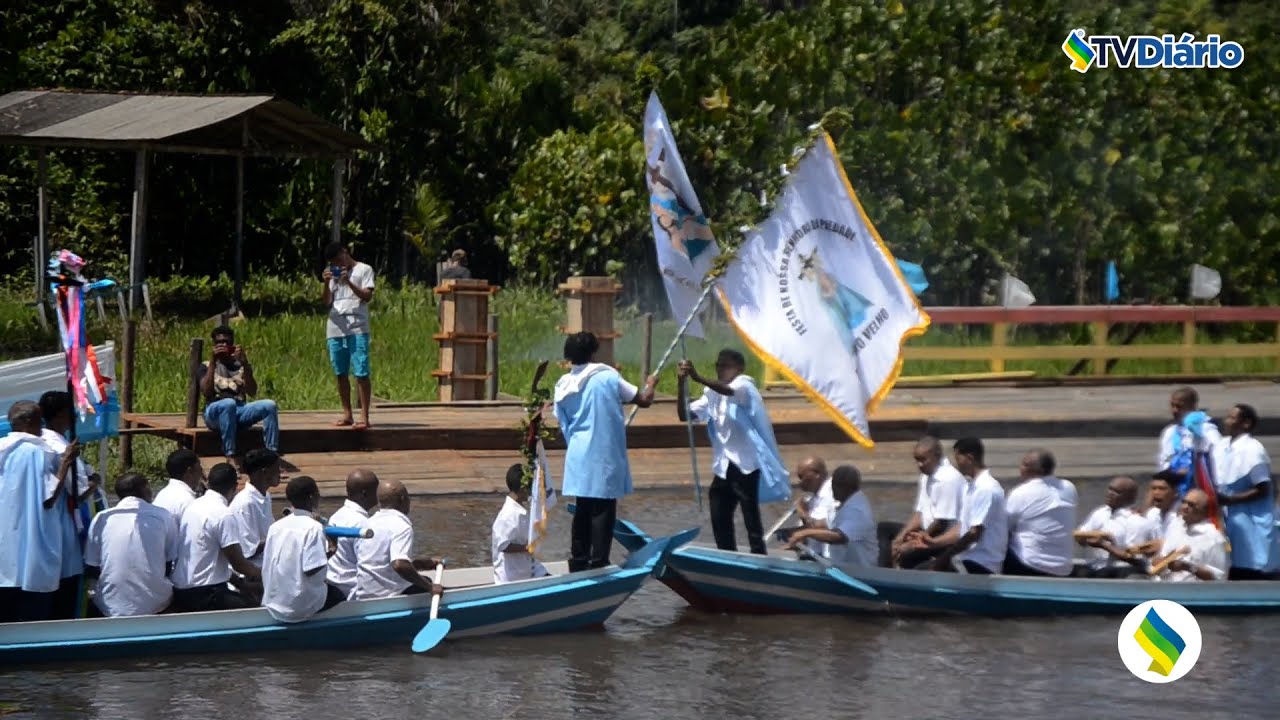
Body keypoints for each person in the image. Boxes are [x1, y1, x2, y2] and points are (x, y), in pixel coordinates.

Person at [554, 332, 656, 572]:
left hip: (579, 450)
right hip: (602, 451)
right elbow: (643, 400)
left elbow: (563, 421)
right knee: (602, 509)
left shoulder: (563, 384)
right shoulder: (607, 375)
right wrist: (651, 384)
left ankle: (579, 560)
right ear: (593, 353)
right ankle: (599, 561)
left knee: (583, 509)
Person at [677, 350, 789, 555]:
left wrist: (697, 376)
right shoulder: (710, 393)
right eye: (718, 365)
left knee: (750, 517)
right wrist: (681, 383)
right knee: (719, 510)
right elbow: (685, 415)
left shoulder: (745, 385)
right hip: (724, 465)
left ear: (739, 369)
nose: (720, 369)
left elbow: (728, 391)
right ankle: (727, 553)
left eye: (725, 366)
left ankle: (758, 555)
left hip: (746, 464)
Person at [0, 401, 79, 623]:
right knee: (32, 616)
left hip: (4, 551)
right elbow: (49, 498)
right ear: (29, 422)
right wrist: (65, 463)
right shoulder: (37, 452)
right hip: (32, 548)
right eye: (39, 421)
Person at [35, 390, 102, 618]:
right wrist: (94, 482)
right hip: (66, 528)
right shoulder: (61, 447)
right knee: (69, 592)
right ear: (63, 415)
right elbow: (79, 492)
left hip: (43, 529)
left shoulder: (38, 442)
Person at [83, 473, 178, 617]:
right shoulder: (162, 516)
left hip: (109, 605)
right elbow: (169, 562)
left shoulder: (102, 518)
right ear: (146, 490)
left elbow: (92, 566)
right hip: (156, 603)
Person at [170, 462, 261, 611]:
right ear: (235, 487)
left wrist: (240, 583)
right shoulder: (224, 514)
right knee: (257, 609)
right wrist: (266, 576)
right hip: (207, 595)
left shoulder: (193, 506)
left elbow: (209, 559)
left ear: (209, 482)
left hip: (181, 591)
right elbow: (239, 564)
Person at [261, 476, 346, 623]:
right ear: (312, 497)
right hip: (296, 606)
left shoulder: (275, 527)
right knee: (339, 595)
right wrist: (332, 549)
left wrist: (329, 552)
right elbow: (311, 569)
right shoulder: (314, 527)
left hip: (273, 601)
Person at [199, 325, 280, 465]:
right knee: (228, 403)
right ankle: (230, 455)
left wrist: (245, 363)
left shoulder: (240, 365)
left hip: (239, 410)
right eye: (219, 343)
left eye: (227, 343)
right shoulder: (206, 365)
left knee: (269, 405)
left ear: (232, 344)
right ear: (213, 345)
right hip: (214, 412)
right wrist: (213, 361)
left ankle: (271, 455)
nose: (223, 345)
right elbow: (206, 391)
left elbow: (252, 391)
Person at [353, 479, 445, 599]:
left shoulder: (367, 524)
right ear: (403, 499)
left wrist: (421, 564)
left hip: (364, 593)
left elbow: (380, 563)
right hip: (389, 596)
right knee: (426, 581)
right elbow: (399, 565)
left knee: (421, 578)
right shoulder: (402, 526)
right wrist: (429, 587)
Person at [882, 436, 965, 569]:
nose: (919, 465)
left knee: (906, 554)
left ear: (936, 456)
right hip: (926, 531)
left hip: (942, 539)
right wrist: (901, 537)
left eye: (923, 460)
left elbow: (941, 524)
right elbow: (920, 514)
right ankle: (883, 574)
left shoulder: (948, 479)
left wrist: (913, 543)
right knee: (884, 530)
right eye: (917, 460)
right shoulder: (926, 476)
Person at [1213, 403, 1275, 580]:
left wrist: (1231, 500)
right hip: (1229, 517)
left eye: (1232, 418)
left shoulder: (1253, 449)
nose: (1226, 421)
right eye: (1227, 417)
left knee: (1251, 563)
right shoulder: (1222, 445)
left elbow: (1263, 488)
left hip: (1250, 518)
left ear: (1246, 423)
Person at [930, 437, 1008, 574]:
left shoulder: (987, 488)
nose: (956, 464)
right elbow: (962, 528)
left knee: (921, 572)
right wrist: (932, 542)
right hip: (966, 558)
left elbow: (973, 533)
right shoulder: (971, 486)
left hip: (981, 563)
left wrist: (945, 558)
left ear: (969, 458)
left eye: (958, 459)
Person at [322, 241, 376, 431]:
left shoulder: (364, 269)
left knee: (361, 371)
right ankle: (347, 413)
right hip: (336, 326)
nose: (338, 265)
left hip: (357, 326)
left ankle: (364, 417)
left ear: (345, 252)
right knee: (340, 372)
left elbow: (367, 296)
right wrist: (326, 282)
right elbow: (326, 302)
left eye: (339, 260)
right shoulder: (332, 274)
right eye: (334, 264)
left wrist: (349, 282)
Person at [1003, 449, 1077, 577]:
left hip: (1029, 564)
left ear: (1040, 470)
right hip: (1063, 568)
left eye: (1025, 464)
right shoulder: (1069, 487)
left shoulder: (1020, 492)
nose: (1020, 468)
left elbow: (1004, 530)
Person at [785, 465, 877, 567]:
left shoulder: (857, 511)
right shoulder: (843, 504)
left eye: (834, 485)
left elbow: (839, 537)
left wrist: (805, 533)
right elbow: (824, 524)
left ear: (844, 487)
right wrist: (794, 530)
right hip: (838, 566)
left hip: (859, 573)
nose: (832, 489)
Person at [1073, 476, 1154, 579]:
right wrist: (1082, 538)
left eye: (1117, 492)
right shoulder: (1100, 513)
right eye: (1110, 489)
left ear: (1130, 497)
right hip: (1096, 567)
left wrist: (1104, 544)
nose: (1110, 493)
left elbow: (1133, 558)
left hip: (1121, 570)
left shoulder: (1136, 521)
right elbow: (1082, 536)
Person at [1152, 489, 1228, 583]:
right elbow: (1163, 557)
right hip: (1166, 588)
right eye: (1184, 502)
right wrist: (1159, 561)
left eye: (1191, 505)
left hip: (1194, 593)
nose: (1185, 507)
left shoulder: (1214, 537)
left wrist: (1188, 567)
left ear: (1203, 510)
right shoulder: (1175, 526)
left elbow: (1219, 577)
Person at [492, 464, 551, 584]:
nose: (530, 493)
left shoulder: (519, 511)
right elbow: (503, 545)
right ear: (522, 489)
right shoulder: (508, 515)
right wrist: (526, 548)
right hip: (510, 579)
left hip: (524, 571)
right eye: (529, 489)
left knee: (549, 580)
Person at [1156, 386, 1220, 498]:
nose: (1174, 410)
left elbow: (1218, 458)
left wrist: (1192, 470)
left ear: (1192, 406)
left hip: (1201, 490)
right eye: (1172, 405)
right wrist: (1174, 472)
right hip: (1175, 492)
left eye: (1179, 406)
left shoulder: (1206, 429)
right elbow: (1164, 461)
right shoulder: (1169, 432)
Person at [326, 469, 380, 598]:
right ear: (364, 493)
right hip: (351, 590)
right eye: (376, 490)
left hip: (333, 583)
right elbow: (368, 565)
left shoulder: (336, 516)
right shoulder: (363, 524)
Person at [229, 448, 283, 568]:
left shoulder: (266, 496)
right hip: (252, 573)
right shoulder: (246, 503)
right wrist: (281, 532)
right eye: (277, 468)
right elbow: (248, 551)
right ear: (265, 472)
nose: (280, 472)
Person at [791, 457, 835, 558]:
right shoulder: (813, 498)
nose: (800, 481)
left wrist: (802, 512)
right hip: (814, 555)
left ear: (817, 474)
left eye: (802, 476)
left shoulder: (831, 494)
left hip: (831, 561)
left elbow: (826, 527)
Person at [1130, 474, 1184, 558]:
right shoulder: (1152, 513)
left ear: (1175, 492)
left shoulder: (1182, 516)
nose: (1156, 492)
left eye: (1162, 489)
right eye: (1153, 488)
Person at [154, 449, 206, 532]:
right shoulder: (188, 501)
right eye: (199, 466)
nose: (201, 470)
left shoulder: (161, 495)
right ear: (190, 471)